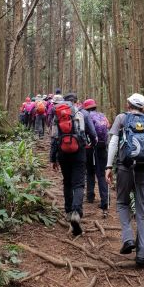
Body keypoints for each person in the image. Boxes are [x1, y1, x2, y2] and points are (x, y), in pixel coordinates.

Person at [105, 93, 144, 268]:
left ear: (128, 104)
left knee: (122, 203)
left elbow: (113, 143)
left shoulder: (121, 118)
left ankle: (128, 238)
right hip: (143, 170)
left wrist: (108, 166)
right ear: (143, 107)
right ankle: (142, 252)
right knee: (142, 210)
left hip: (124, 168)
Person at [50, 93, 94, 236]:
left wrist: (53, 158)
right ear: (76, 101)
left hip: (63, 152)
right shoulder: (80, 113)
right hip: (79, 151)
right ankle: (77, 212)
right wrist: (92, 142)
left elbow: (54, 137)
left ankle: (68, 212)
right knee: (79, 184)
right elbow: (89, 132)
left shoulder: (57, 114)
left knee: (67, 182)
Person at [83, 98, 110, 215]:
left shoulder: (86, 116)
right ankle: (105, 200)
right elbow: (108, 128)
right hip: (103, 147)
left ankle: (90, 196)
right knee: (102, 173)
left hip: (90, 147)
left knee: (90, 171)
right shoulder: (102, 116)